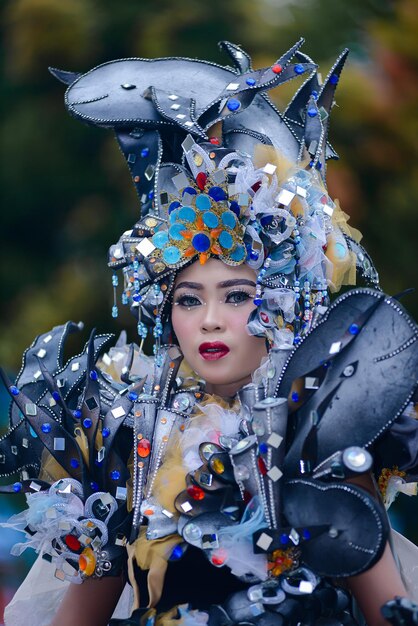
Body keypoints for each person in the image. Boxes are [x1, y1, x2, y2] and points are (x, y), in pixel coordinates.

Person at [1, 41, 417, 626]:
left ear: (285, 303)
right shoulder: (128, 435)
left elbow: (387, 608)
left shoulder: (320, 437)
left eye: (238, 295)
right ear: (162, 310)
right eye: (188, 300)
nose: (211, 321)